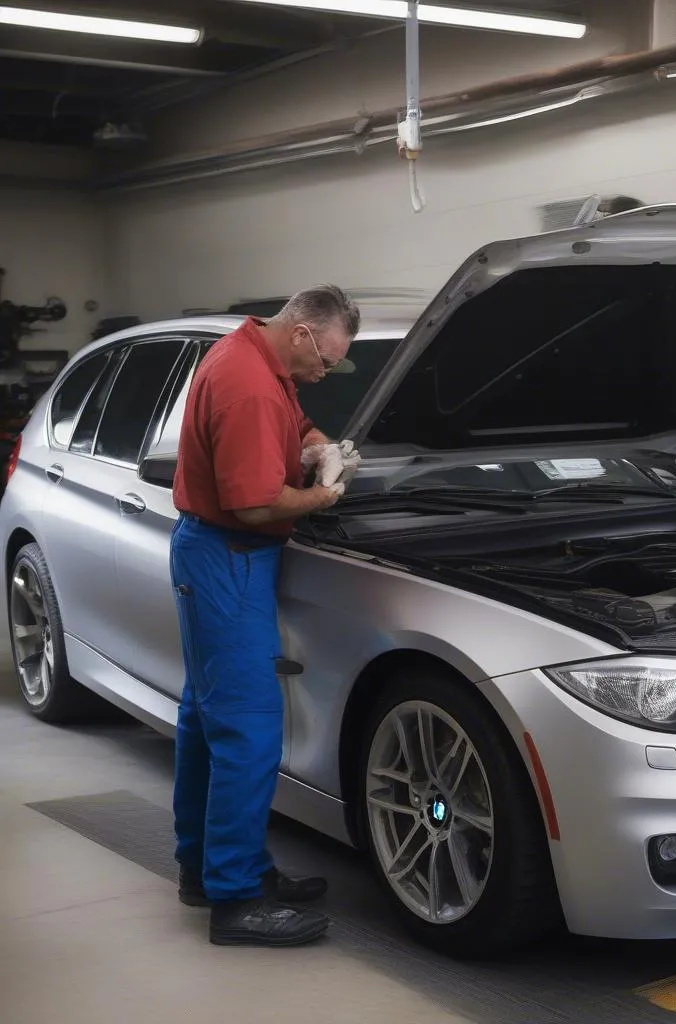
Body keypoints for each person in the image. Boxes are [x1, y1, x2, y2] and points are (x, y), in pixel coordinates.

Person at [170, 285, 361, 947]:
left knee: (205, 718)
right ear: (304, 332)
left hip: (223, 557)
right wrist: (325, 493)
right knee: (248, 730)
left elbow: (293, 420)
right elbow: (254, 507)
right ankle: (236, 901)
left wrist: (319, 445)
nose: (324, 373)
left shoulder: (260, 358)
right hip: (229, 557)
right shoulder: (248, 381)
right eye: (327, 361)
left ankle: (211, 868)